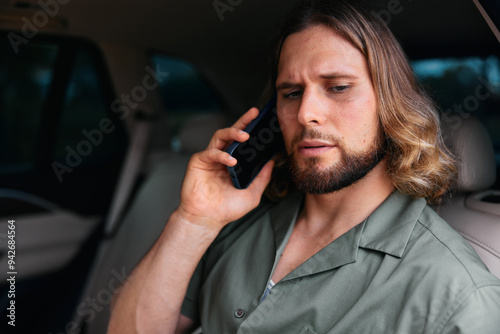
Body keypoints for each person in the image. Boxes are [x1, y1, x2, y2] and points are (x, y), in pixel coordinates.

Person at [108, 0, 500, 333]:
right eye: (291, 93)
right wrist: (193, 220)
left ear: (390, 106)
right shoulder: (236, 224)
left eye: (338, 87)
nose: (306, 112)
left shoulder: (456, 295)